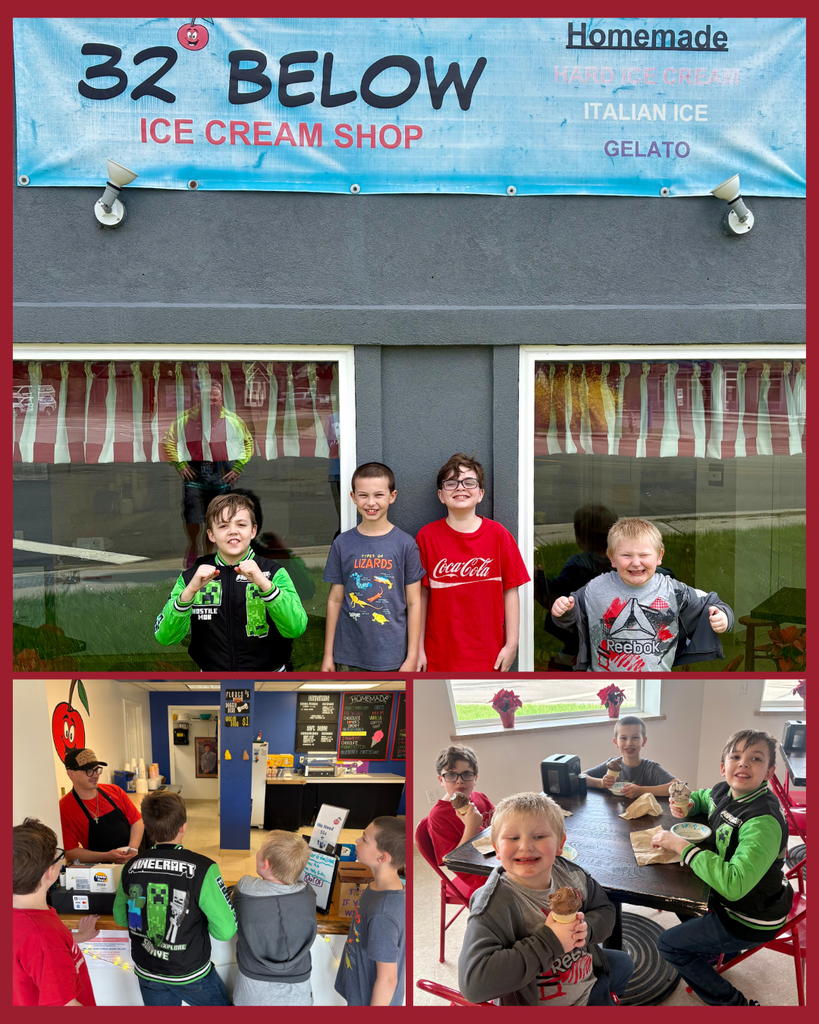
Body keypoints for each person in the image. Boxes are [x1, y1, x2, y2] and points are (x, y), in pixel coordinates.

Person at [651, 729, 793, 1006]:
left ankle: (734, 1005)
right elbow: (705, 798)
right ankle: (721, 953)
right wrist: (690, 805)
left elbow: (734, 884)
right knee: (675, 891)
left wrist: (683, 847)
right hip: (727, 901)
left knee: (668, 944)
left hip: (749, 917)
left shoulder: (762, 822)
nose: (743, 763)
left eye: (755, 758)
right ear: (723, 766)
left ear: (768, 772)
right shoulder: (723, 790)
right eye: (736, 756)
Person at [458, 792, 633, 1006]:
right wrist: (551, 941)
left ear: (560, 844)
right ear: (496, 848)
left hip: (587, 978)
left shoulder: (573, 876)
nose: (525, 846)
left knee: (624, 963)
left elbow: (605, 910)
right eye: (513, 838)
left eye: (539, 836)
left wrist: (587, 929)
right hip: (536, 1001)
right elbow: (473, 985)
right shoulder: (493, 905)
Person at [551, 516, 733, 671]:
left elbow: (711, 603)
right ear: (612, 558)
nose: (636, 563)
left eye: (644, 555)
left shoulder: (673, 591)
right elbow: (570, 617)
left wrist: (724, 616)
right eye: (626, 556)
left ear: (659, 556)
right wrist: (564, 609)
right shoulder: (595, 588)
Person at [154, 492, 307, 671]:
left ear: (253, 531)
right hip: (213, 683)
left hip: (270, 680)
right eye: (223, 526)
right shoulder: (192, 578)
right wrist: (188, 593)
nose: (232, 530)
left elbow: (296, 627)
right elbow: (165, 637)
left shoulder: (274, 573)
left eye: (241, 524)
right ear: (211, 535)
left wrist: (265, 585)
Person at [113, 790, 237, 1006]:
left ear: (148, 828)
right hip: (191, 974)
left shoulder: (130, 866)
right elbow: (225, 931)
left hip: (148, 972)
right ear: (183, 826)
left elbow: (122, 918)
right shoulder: (204, 868)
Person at [416, 453, 530, 672]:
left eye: (469, 482)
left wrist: (512, 643)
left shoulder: (499, 535)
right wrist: (418, 648)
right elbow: (421, 596)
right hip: (439, 655)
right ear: (441, 495)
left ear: (480, 494)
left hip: (489, 654)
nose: (460, 488)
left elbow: (511, 592)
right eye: (451, 483)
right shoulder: (426, 537)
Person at [321, 462, 424, 672]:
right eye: (363, 495)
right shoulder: (342, 543)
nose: (371, 502)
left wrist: (412, 656)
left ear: (392, 496)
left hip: (394, 656)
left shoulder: (405, 544)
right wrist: (328, 655)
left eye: (378, 495)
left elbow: (414, 603)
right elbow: (335, 599)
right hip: (350, 655)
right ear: (352, 497)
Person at [163, 378, 254, 569]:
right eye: (208, 398)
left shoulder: (233, 420)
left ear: (221, 399)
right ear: (200, 399)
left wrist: (239, 467)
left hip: (220, 478)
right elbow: (168, 442)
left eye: (215, 398)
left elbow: (248, 443)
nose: (212, 402)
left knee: (217, 520)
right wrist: (179, 465)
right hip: (195, 477)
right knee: (193, 518)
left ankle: (209, 556)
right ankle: (193, 546)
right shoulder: (185, 419)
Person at [13, 818, 99, 1005]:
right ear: (49, 872)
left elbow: (29, 950)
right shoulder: (44, 938)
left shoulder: (27, 919)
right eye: (58, 857)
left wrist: (79, 936)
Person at [231, 830, 316, 1005]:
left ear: (265, 864)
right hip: (298, 991)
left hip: (253, 991)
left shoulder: (245, 889)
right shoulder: (308, 893)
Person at [334, 817, 406, 1006]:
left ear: (382, 857)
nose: (357, 841)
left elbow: (388, 980)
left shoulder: (383, 913)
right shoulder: (379, 886)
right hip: (359, 988)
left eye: (364, 839)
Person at [427, 743, 494, 896]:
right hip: (480, 875)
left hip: (497, 859)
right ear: (441, 780)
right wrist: (472, 827)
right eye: (450, 775)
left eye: (467, 774)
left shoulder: (480, 797)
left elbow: (499, 826)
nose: (459, 781)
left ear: (475, 778)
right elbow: (454, 863)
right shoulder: (438, 817)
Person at [59, 748, 143, 864]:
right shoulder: (65, 807)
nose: (95, 775)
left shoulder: (114, 791)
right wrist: (107, 856)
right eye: (89, 771)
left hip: (134, 859)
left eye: (97, 770)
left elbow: (137, 820)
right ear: (71, 773)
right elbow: (70, 852)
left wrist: (133, 848)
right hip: (101, 871)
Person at [584, 715, 680, 799]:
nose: (629, 743)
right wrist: (601, 783)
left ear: (644, 741)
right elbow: (581, 777)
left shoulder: (650, 768)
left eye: (635, 737)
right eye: (623, 738)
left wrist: (641, 791)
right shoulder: (612, 764)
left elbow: (678, 787)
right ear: (616, 742)